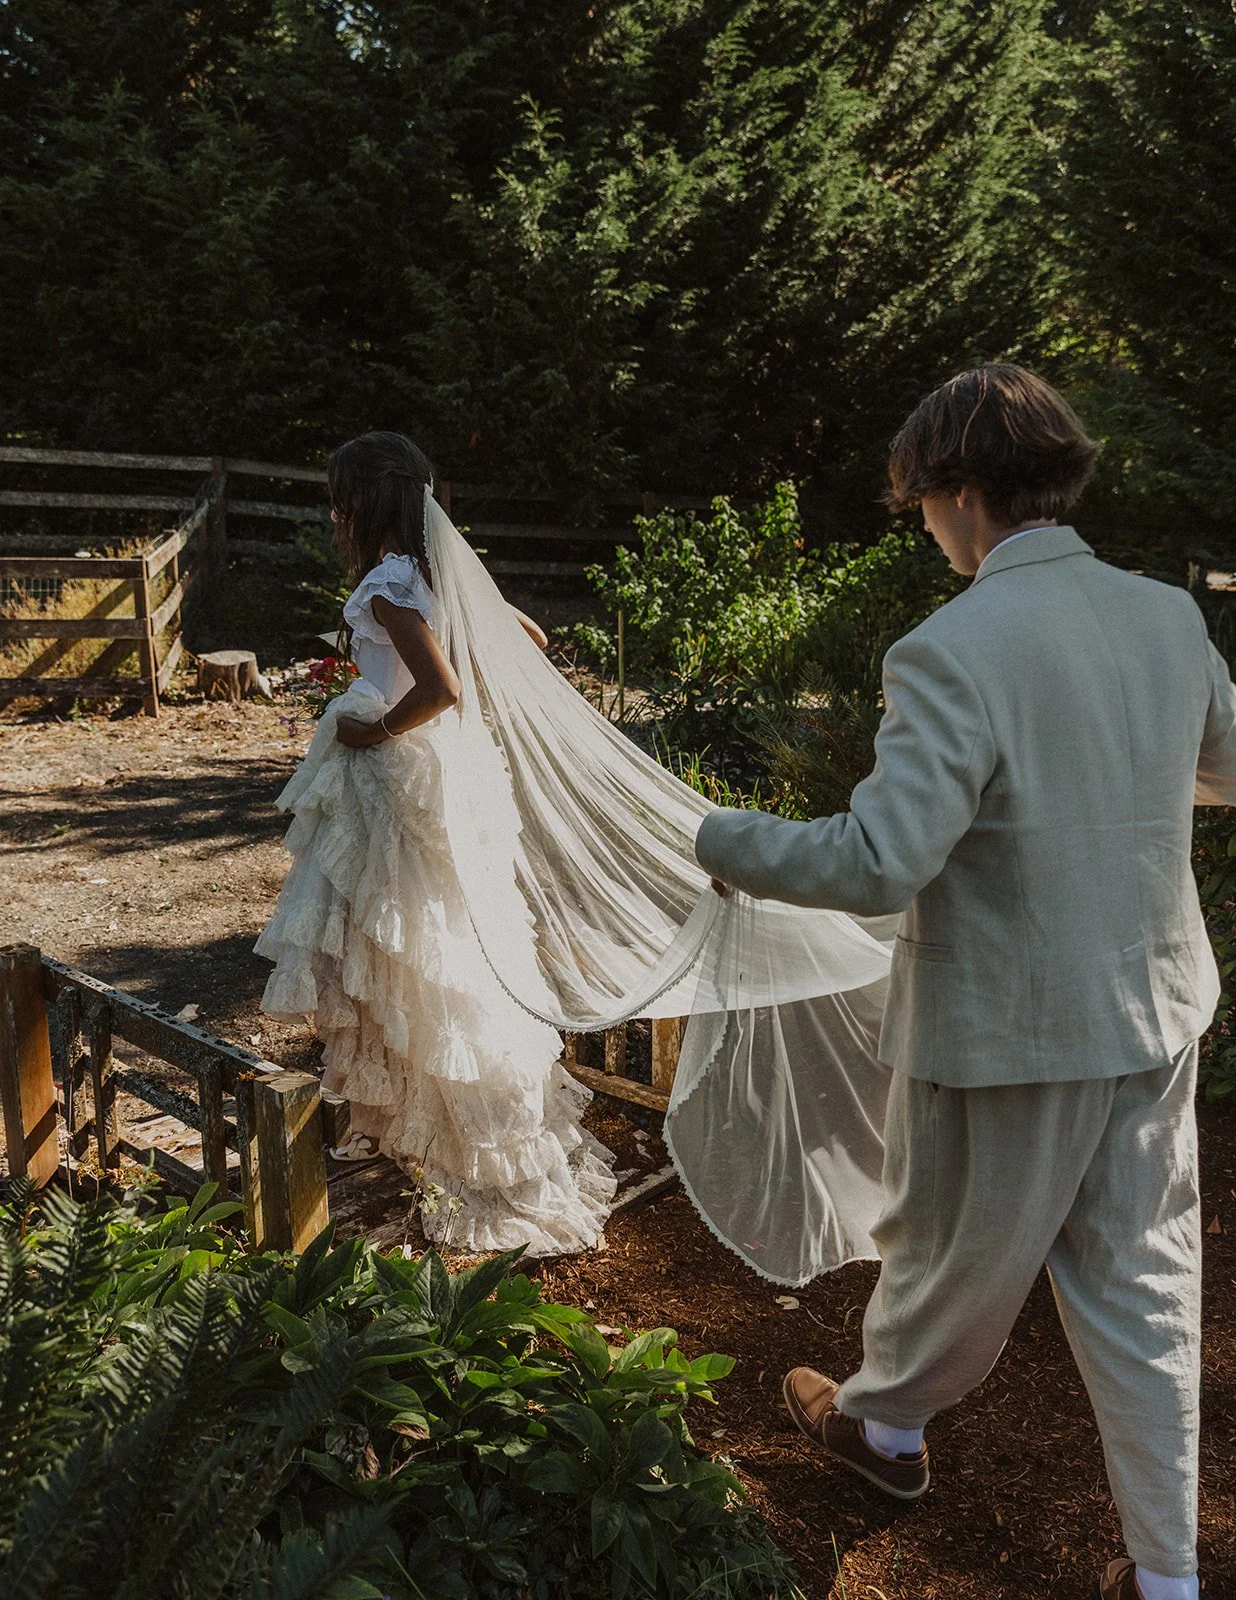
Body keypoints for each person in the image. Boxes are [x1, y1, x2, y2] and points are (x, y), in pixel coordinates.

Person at [695, 364, 1236, 1600]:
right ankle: (1166, 1578)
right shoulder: (1168, 618)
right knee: (1149, 1287)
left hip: (1006, 1030)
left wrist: (724, 836)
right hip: (1154, 1015)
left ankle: (883, 1431)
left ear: (966, 493)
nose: (924, 525)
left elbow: (884, 862)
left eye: (921, 504)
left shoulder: (949, 649)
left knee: (946, 1254)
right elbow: (1229, 765)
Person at [256, 430, 616, 1256]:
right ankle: (403, 1117)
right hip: (442, 777)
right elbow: (527, 639)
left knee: (412, 942)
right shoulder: (432, 574)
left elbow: (443, 687)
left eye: (338, 498)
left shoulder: (387, 585)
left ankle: (467, 1142)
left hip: (393, 773)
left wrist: (378, 727)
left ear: (363, 504)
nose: (334, 513)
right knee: (431, 942)